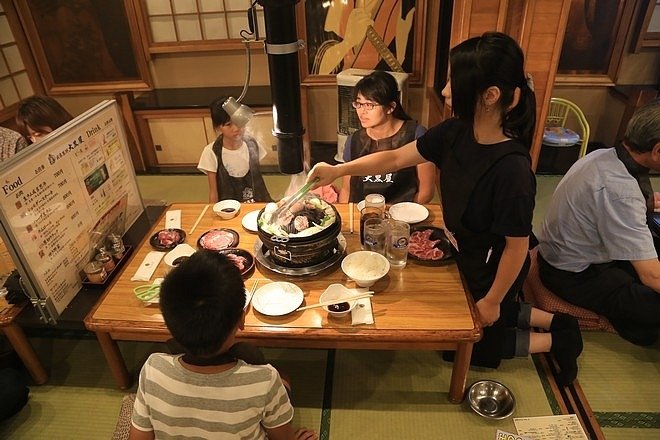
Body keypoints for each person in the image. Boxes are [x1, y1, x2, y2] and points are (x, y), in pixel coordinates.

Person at [308, 32, 582, 385]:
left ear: (490, 95)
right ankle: (553, 318)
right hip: (461, 249)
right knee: (464, 312)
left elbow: (517, 248)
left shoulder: (512, 169)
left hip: (493, 263)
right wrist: (339, 169)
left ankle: (556, 338)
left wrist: (494, 300)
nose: (446, 90)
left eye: (454, 80)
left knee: (467, 342)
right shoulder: (455, 131)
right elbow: (394, 156)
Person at [129, 250, 317, 440]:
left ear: (169, 324)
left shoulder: (153, 368)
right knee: (283, 379)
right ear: (242, 319)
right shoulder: (264, 380)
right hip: (264, 389)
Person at [537, 99, 660, 346]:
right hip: (573, 274)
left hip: (561, 254)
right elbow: (651, 276)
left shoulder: (604, 155)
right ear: (657, 150)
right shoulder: (621, 191)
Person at [340, 70, 435, 204]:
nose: (362, 111)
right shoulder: (354, 140)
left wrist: (402, 215)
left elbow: (426, 192)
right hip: (364, 213)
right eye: (358, 104)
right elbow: (347, 190)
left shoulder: (416, 135)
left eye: (369, 105)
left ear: (390, 107)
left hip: (403, 215)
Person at [197, 97, 272, 203]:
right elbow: (213, 192)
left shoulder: (253, 145)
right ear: (218, 128)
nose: (236, 128)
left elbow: (258, 181)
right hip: (228, 208)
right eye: (228, 125)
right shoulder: (211, 152)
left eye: (238, 122)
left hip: (257, 203)